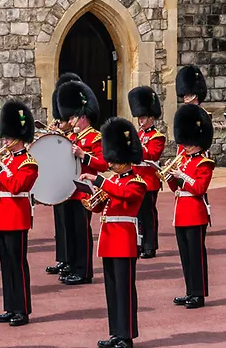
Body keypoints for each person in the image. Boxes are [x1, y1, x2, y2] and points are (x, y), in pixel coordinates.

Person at [87, 117, 147, 348]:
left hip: (123, 240)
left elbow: (125, 196)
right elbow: (101, 206)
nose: (110, 164)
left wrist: (101, 180)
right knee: (112, 291)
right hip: (109, 240)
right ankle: (116, 332)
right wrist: (90, 194)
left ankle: (127, 335)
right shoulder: (115, 182)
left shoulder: (136, 182)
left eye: (113, 160)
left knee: (124, 290)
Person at [0, 100, 39, 327]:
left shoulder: (29, 163)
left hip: (17, 216)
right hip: (2, 215)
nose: (4, 141)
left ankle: (22, 309)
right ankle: (9, 306)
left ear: (18, 137)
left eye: (7, 137)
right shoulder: (5, 160)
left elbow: (16, 186)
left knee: (18, 264)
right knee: (6, 265)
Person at [167, 103, 214, 309]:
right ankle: (189, 291)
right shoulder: (183, 160)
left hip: (195, 213)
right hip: (181, 212)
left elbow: (199, 188)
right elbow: (174, 186)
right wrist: (171, 177)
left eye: (188, 142)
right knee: (186, 256)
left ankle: (199, 293)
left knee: (196, 256)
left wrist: (182, 176)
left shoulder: (204, 163)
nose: (185, 146)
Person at [58, 78, 104, 284]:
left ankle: (84, 271)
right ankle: (73, 265)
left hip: (84, 191)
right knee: (70, 231)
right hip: (70, 189)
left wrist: (84, 155)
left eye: (75, 117)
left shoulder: (94, 137)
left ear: (83, 117)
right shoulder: (73, 138)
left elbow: (103, 164)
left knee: (81, 231)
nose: (72, 121)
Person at [46, 71, 83, 278]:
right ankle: (64, 258)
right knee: (62, 225)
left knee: (76, 229)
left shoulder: (86, 136)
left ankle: (77, 265)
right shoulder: (67, 132)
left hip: (77, 187)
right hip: (62, 183)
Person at [128, 86, 166, 258]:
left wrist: (135, 146)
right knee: (136, 215)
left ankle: (150, 245)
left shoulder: (157, 136)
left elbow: (152, 154)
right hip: (136, 178)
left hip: (149, 181)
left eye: (143, 118)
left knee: (148, 215)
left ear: (151, 118)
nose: (140, 121)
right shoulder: (138, 134)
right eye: (139, 118)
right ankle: (139, 243)